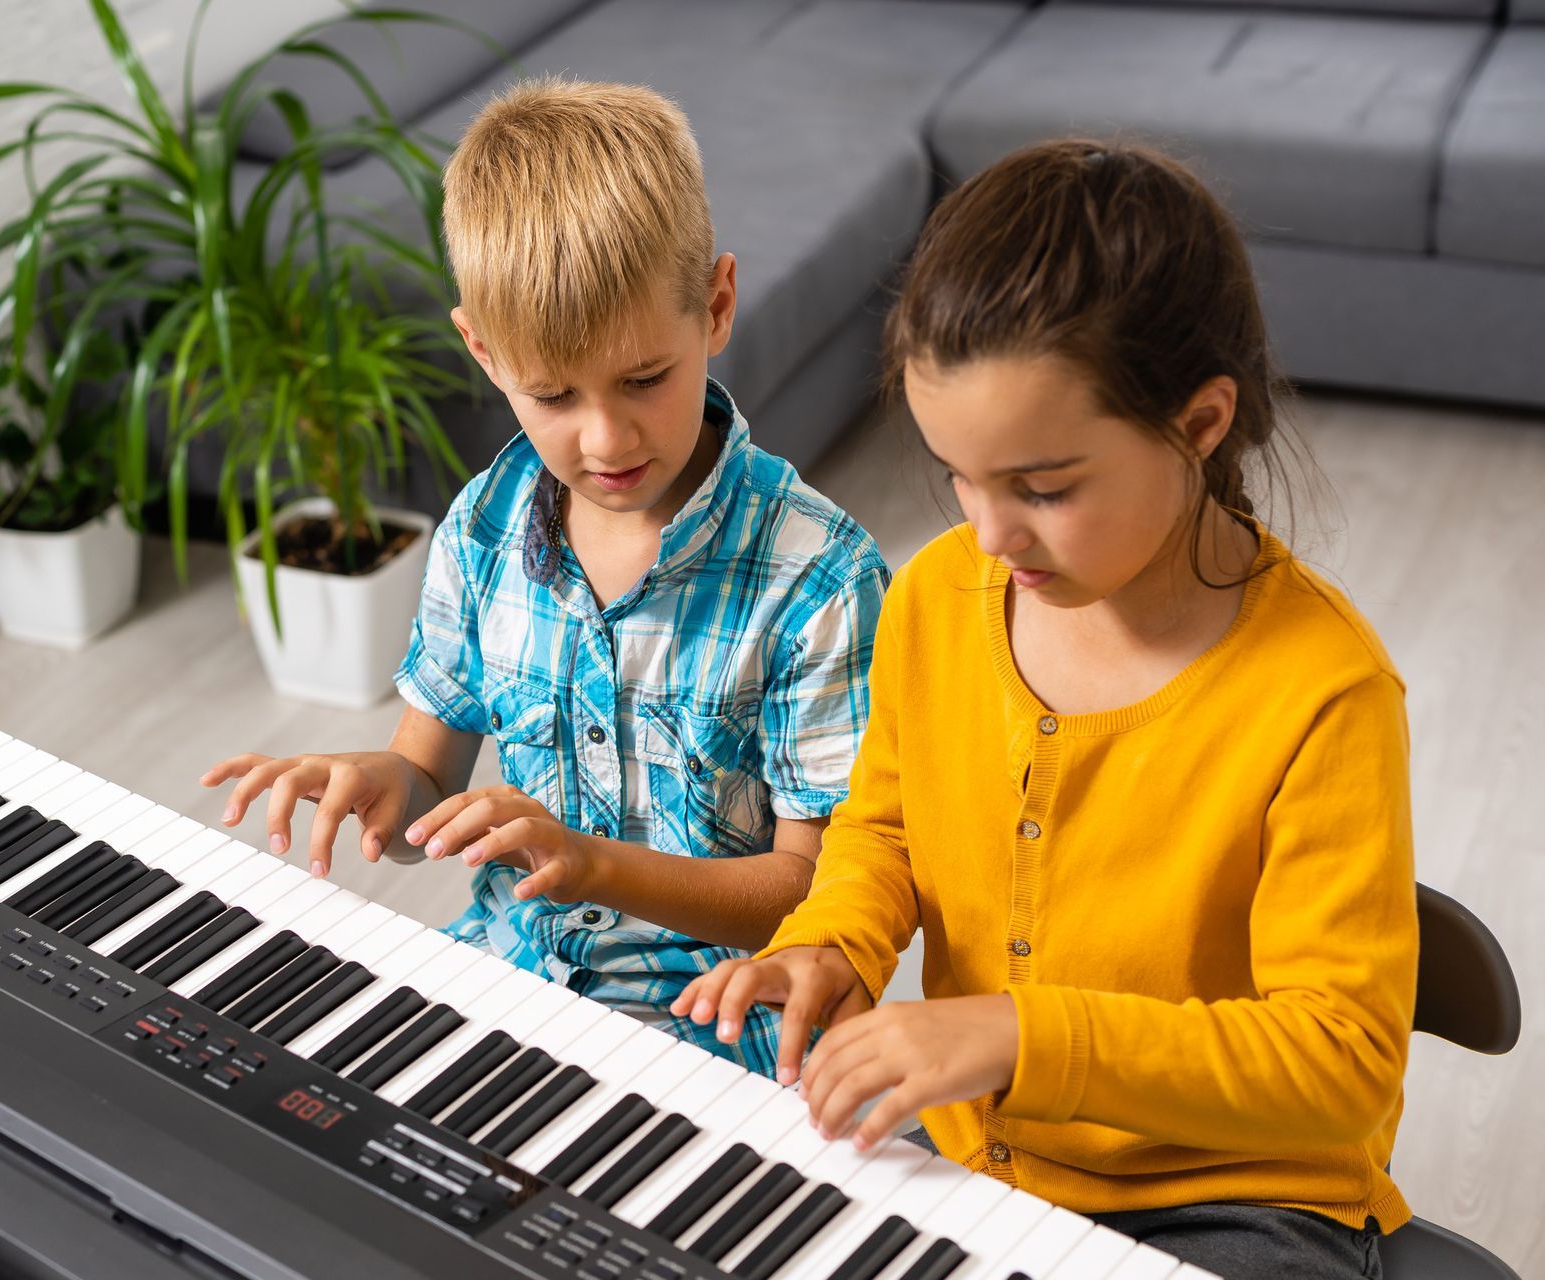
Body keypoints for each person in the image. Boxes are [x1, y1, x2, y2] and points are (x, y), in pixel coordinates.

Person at [674, 139, 1413, 1278]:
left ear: (1201, 424)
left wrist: (1024, 1034)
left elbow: (1339, 1060)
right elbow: (884, 831)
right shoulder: (935, 598)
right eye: (959, 476)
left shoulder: (1324, 693)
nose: (989, 533)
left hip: (1237, 1200)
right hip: (980, 1157)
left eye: (1045, 487)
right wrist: (831, 945)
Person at [204, 79, 889, 1076]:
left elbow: (814, 890)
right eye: (554, 393)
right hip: (510, 984)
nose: (607, 437)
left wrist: (591, 862)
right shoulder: (483, 529)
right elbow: (429, 775)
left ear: (717, 305)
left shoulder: (818, 579)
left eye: (645, 378)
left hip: (728, 1035)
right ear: (484, 350)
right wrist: (376, 788)